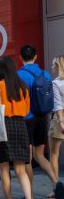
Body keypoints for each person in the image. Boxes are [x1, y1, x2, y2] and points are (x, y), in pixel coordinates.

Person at [18, 45, 64, 198]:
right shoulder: (45, 74)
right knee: (40, 155)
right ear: (36, 57)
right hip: (42, 118)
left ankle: (28, 192)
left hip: (27, 119)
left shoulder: (19, 75)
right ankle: (56, 183)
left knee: (27, 160)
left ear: (20, 58)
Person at [0, 56, 31, 199]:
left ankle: (9, 198)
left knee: (4, 167)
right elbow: (26, 111)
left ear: (1, 69)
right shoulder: (23, 86)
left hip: (3, 127)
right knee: (21, 169)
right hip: (20, 126)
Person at [48, 55, 64, 198]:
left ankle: (56, 188)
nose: (52, 67)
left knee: (54, 154)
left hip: (59, 119)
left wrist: (61, 122)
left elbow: (58, 104)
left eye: (54, 65)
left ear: (59, 66)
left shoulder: (56, 83)